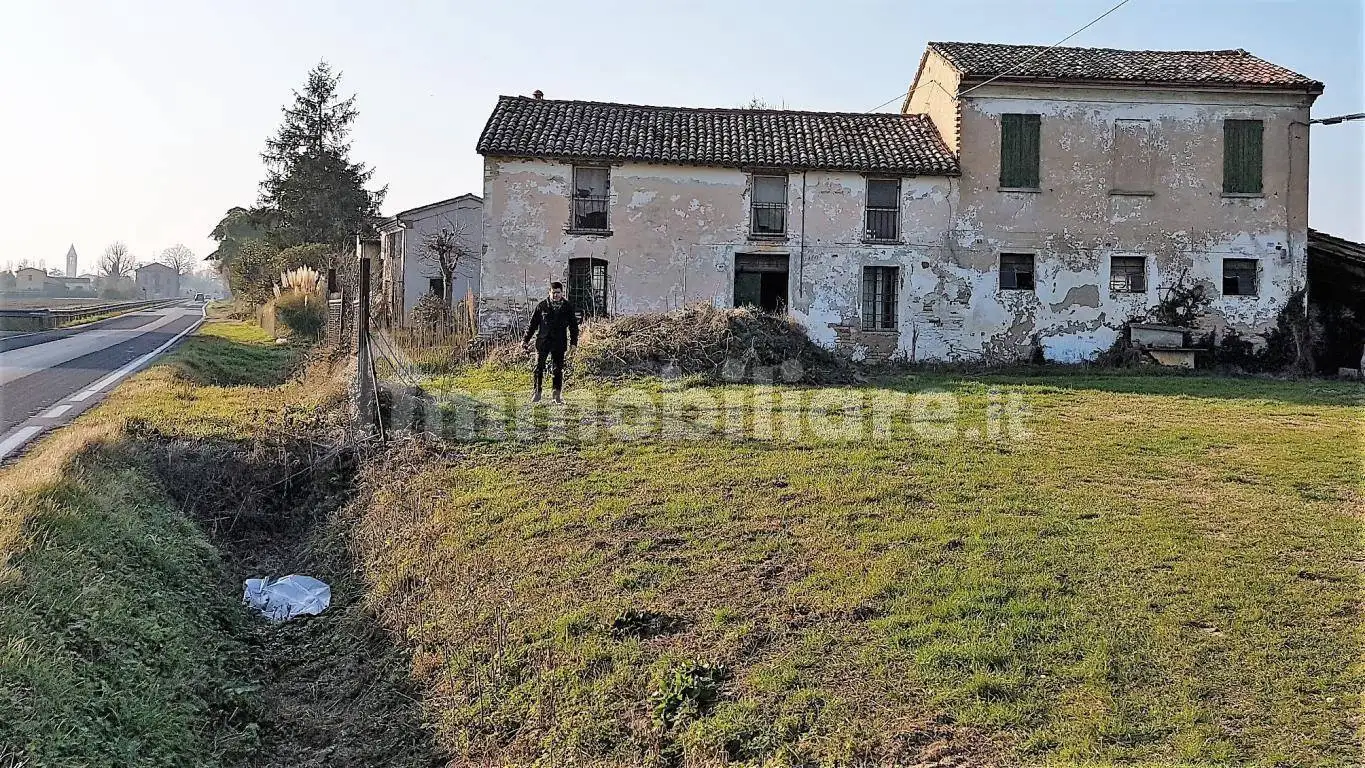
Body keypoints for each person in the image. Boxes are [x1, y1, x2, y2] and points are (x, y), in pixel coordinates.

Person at [522, 281, 579, 403]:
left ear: (562, 293)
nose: (556, 295)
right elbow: (532, 325)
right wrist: (525, 340)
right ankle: (537, 393)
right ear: (549, 293)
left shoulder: (567, 307)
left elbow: (574, 327)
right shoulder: (542, 306)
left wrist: (574, 343)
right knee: (538, 368)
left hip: (559, 342)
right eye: (553, 293)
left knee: (558, 369)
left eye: (558, 293)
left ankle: (556, 395)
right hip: (543, 341)